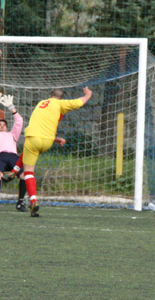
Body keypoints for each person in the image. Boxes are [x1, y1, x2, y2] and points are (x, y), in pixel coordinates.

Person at [5, 87, 92, 217]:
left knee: (28, 172)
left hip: (33, 138)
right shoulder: (61, 103)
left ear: (49, 96)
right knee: (30, 152)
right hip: (47, 142)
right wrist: (88, 95)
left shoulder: (41, 103)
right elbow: (80, 102)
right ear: (61, 98)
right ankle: (13, 172)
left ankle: (33, 200)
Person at [0, 94, 26, 211]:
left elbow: (19, 121)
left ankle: (20, 202)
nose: (2, 126)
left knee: (24, 175)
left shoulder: (12, 135)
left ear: (7, 128)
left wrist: (11, 107)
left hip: (13, 157)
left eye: (4, 125)